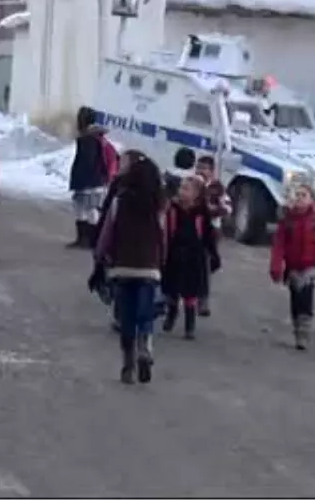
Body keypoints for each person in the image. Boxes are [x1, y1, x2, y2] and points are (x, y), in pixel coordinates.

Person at [95, 154, 166, 384]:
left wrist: (100, 258)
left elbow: (107, 234)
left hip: (122, 268)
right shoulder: (158, 205)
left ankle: (127, 364)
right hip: (149, 268)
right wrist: (161, 263)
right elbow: (163, 238)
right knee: (145, 314)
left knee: (126, 318)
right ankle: (144, 347)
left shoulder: (119, 202)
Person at [269, 184, 315, 350]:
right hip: (293, 269)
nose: (299, 198)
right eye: (297, 194)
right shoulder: (287, 220)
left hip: (310, 269)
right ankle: (297, 328)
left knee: (306, 301)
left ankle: (303, 333)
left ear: (312, 200)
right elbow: (279, 246)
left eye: (303, 195)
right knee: (296, 301)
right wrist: (276, 267)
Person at [160, 175, 220, 340]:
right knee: (172, 290)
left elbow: (209, 236)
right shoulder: (172, 208)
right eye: (181, 188)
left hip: (194, 257)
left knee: (190, 292)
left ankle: (189, 325)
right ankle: (171, 314)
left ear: (197, 194)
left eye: (186, 189)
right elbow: (165, 232)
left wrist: (213, 254)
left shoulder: (201, 212)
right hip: (174, 254)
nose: (182, 192)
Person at [68, 107, 119, 249]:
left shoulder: (88, 138)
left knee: (87, 209)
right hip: (97, 180)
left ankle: (87, 240)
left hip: (89, 181)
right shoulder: (97, 136)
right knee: (87, 209)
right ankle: (88, 240)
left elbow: (87, 161)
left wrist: (79, 179)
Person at [194, 155, 232, 317]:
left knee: (206, 265)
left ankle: (203, 301)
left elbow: (228, 208)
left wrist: (211, 211)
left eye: (204, 168)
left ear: (212, 171)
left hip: (211, 231)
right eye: (198, 167)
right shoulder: (191, 183)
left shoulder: (217, 188)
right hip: (191, 229)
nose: (200, 171)